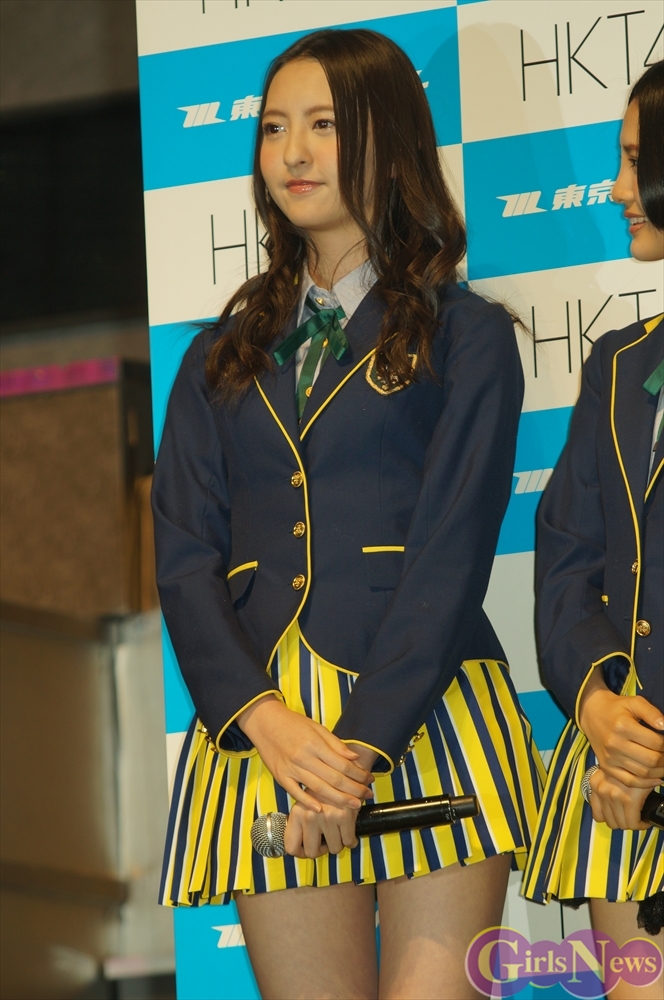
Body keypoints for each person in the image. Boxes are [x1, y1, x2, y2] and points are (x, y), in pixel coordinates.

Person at [154, 29, 544, 1000]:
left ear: (388, 138)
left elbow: (452, 551)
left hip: (427, 711)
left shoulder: (467, 336)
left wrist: (361, 746)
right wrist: (265, 723)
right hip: (266, 729)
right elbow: (184, 558)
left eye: (323, 125)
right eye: (274, 128)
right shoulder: (217, 355)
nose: (291, 153)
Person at [522, 61, 664, 1000]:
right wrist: (602, 710)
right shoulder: (617, 366)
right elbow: (566, 564)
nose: (616, 188)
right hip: (622, 783)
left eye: (635, 160)